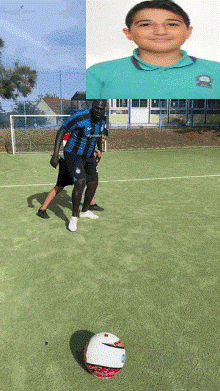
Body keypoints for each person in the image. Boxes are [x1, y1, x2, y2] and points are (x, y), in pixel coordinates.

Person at [86, 0, 220, 98]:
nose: (160, 31)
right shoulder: (98, 73)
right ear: (128, 33)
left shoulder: (216, 71)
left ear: (188, 32)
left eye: (172, 24)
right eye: (146, 25)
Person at [37, 100, 107, 232]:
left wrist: (99, 149)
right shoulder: (79, 117)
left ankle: (85, 211)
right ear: (92, 107)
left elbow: (98, 134)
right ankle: (74, 218)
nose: (99, 111)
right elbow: (61, 131)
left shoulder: (103, 119)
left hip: (89, 156)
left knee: (93, 183)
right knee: (80, 182)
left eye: (102, 109)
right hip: (73, 154)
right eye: (97, 108)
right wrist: (55, 154)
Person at [37, 131, 108, 219]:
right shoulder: (75, 133)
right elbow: (72, 148)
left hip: (79, 161)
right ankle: (42, 209)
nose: (103, 140)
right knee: (60, 186)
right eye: (102, 137)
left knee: (89, 181)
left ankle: (92, 204)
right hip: (68, 161)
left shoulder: (88, 133)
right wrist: (55, 155)